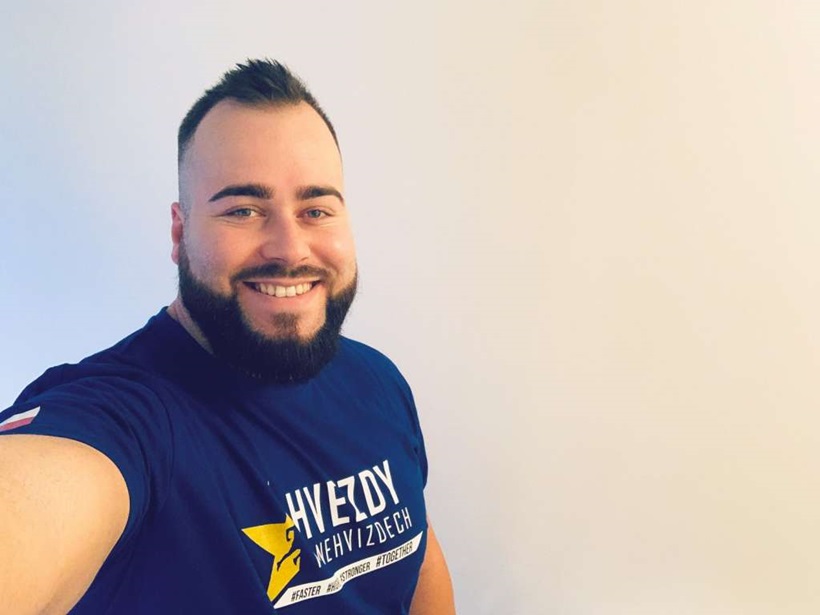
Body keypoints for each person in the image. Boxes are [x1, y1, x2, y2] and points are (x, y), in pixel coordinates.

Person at [0, 59, 455, 614]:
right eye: (243, 210)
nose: (290, 249)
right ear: (180, 232)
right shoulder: (124, 419)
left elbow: (417, 557)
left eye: (316, 209)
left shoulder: (377, 382)